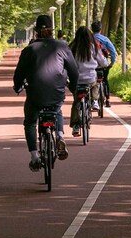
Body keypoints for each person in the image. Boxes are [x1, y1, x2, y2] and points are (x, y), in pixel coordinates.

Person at [13, 14, 78, 170]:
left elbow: (19, 73)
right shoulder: (62, 47)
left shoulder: (29, 50)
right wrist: (73, 87)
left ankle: (35, 156)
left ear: (36, 31)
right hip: (56, 92)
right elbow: (74, 71)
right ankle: (60, 137)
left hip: (35, 95)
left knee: (30, 122)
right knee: (57, 110)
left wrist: (17, 87)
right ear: (52, 30)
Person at [68, 26, 109, 136]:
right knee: (95, 83)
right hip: (90, 78)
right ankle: (94, 101)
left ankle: (76, 125)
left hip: (76, 80)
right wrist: (106, 64)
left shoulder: (72, 47)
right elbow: (103, 61)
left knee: (76, 101)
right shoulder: (93, 47)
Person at [91, 20, 117, 107]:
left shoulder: (89, 39)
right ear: (100, 29)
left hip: (92, 65)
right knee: (105, 80)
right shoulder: (105, 39)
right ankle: (108, 99)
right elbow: (113, 52)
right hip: (103, 65)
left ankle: (92, 100)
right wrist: (111, 63)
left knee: (91, 82)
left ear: (92, 29)